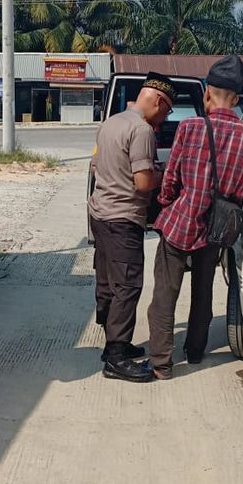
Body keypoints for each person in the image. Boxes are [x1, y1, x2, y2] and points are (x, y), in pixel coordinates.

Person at [147, 55, 243, 380]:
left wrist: (166, 203)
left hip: (180, 222)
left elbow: (170, 180)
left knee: (165, 295)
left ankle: (161, 364)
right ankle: (195, 351)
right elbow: (241, 190)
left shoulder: (190, 127)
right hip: (215, 228)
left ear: (207, 92)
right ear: (237, 99)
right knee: (203, 292)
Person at [88, 72, 175, 383]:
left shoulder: (111, 122)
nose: (164, 118)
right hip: (123, 218)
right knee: (128, 287)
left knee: (111, 282)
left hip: (101, 214)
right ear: (157, 100)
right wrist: (163, 175)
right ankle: (115, 358)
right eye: (166, 110)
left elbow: (95, 167)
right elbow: (142, 183)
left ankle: (119, 342)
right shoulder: (141, 130)